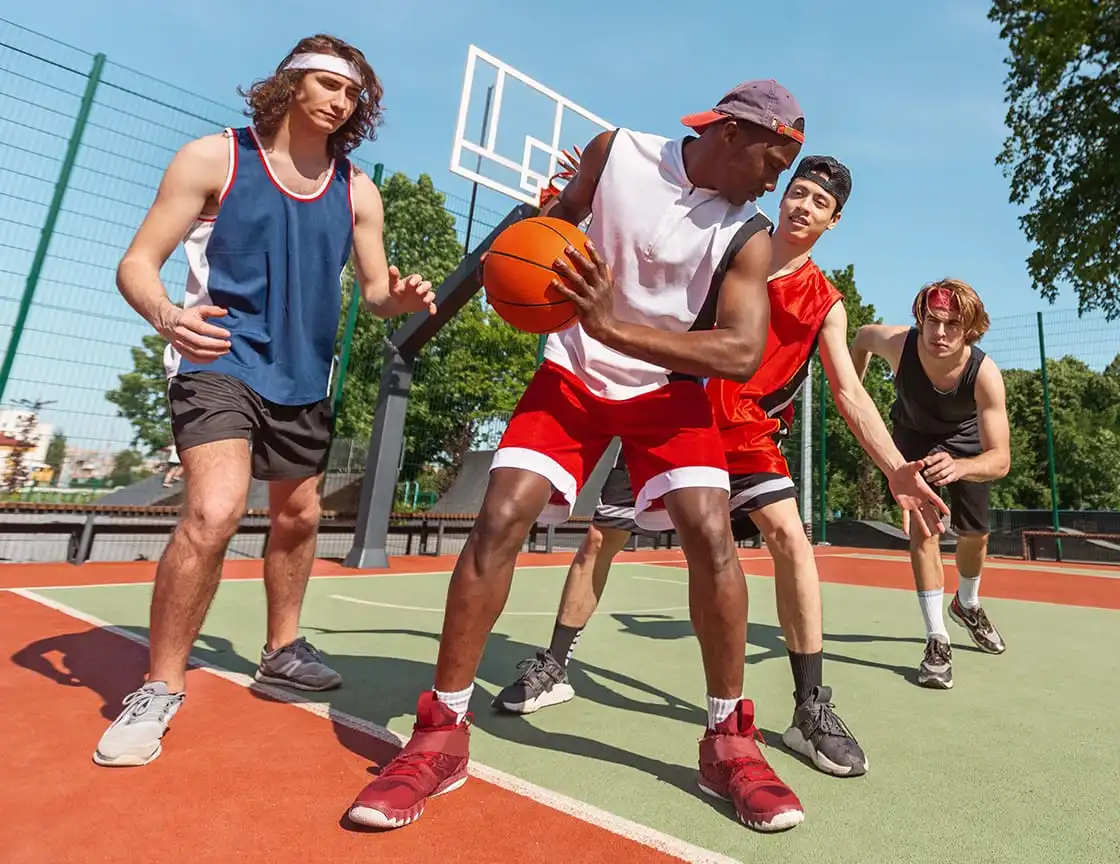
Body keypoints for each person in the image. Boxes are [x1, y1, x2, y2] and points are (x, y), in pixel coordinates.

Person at [348, 79, 820, 834]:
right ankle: (440, 732)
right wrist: (536, 238)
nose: (782, 174)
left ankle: (729, 741)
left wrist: (613, 325)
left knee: (711, 533)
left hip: (670, 387)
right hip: (571, 371)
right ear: (733, 132)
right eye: (779, 153)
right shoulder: (617, 154)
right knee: (501, 515)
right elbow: (547, 234)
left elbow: (737, 351)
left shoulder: (747, 232)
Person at [491, 155, 949, 781]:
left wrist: (897, 466)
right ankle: (555, 664)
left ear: (833, 222)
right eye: (798, 192)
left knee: (792, 539)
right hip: (671, 407)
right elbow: (648, 249)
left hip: (744, 427)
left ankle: (810, 708)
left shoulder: (825, 303)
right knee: (604, 534)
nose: (802, 205)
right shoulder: (730, 233)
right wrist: (585, 198)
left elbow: (849, 392)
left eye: (819, 202)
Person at [96, 34, 436, 768]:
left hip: (305, 375)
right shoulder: (214, 157)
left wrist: (399, 299)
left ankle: (282, 648)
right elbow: (136, 262)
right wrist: (166, 315)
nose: (340, 101)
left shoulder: (357, 189)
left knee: (298, 513)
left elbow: (375, 294)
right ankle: (159, 685)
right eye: (326, 84)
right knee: (214, 511)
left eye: (351, 94)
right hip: (216, 357)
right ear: (286, 87)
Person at [851, 280, 1010, 689]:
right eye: (932, 322)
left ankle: (967, 604)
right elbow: (861, 336)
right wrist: (852, 392)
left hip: (966, 446)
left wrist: (959, 467)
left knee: (975, 537)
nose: (940, 333)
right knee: (924, 531)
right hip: (912, 437)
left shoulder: (984, 374)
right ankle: (937, 639)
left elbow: (1001, 460)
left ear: (970, 326)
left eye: (952, 324)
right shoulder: (899, 345)